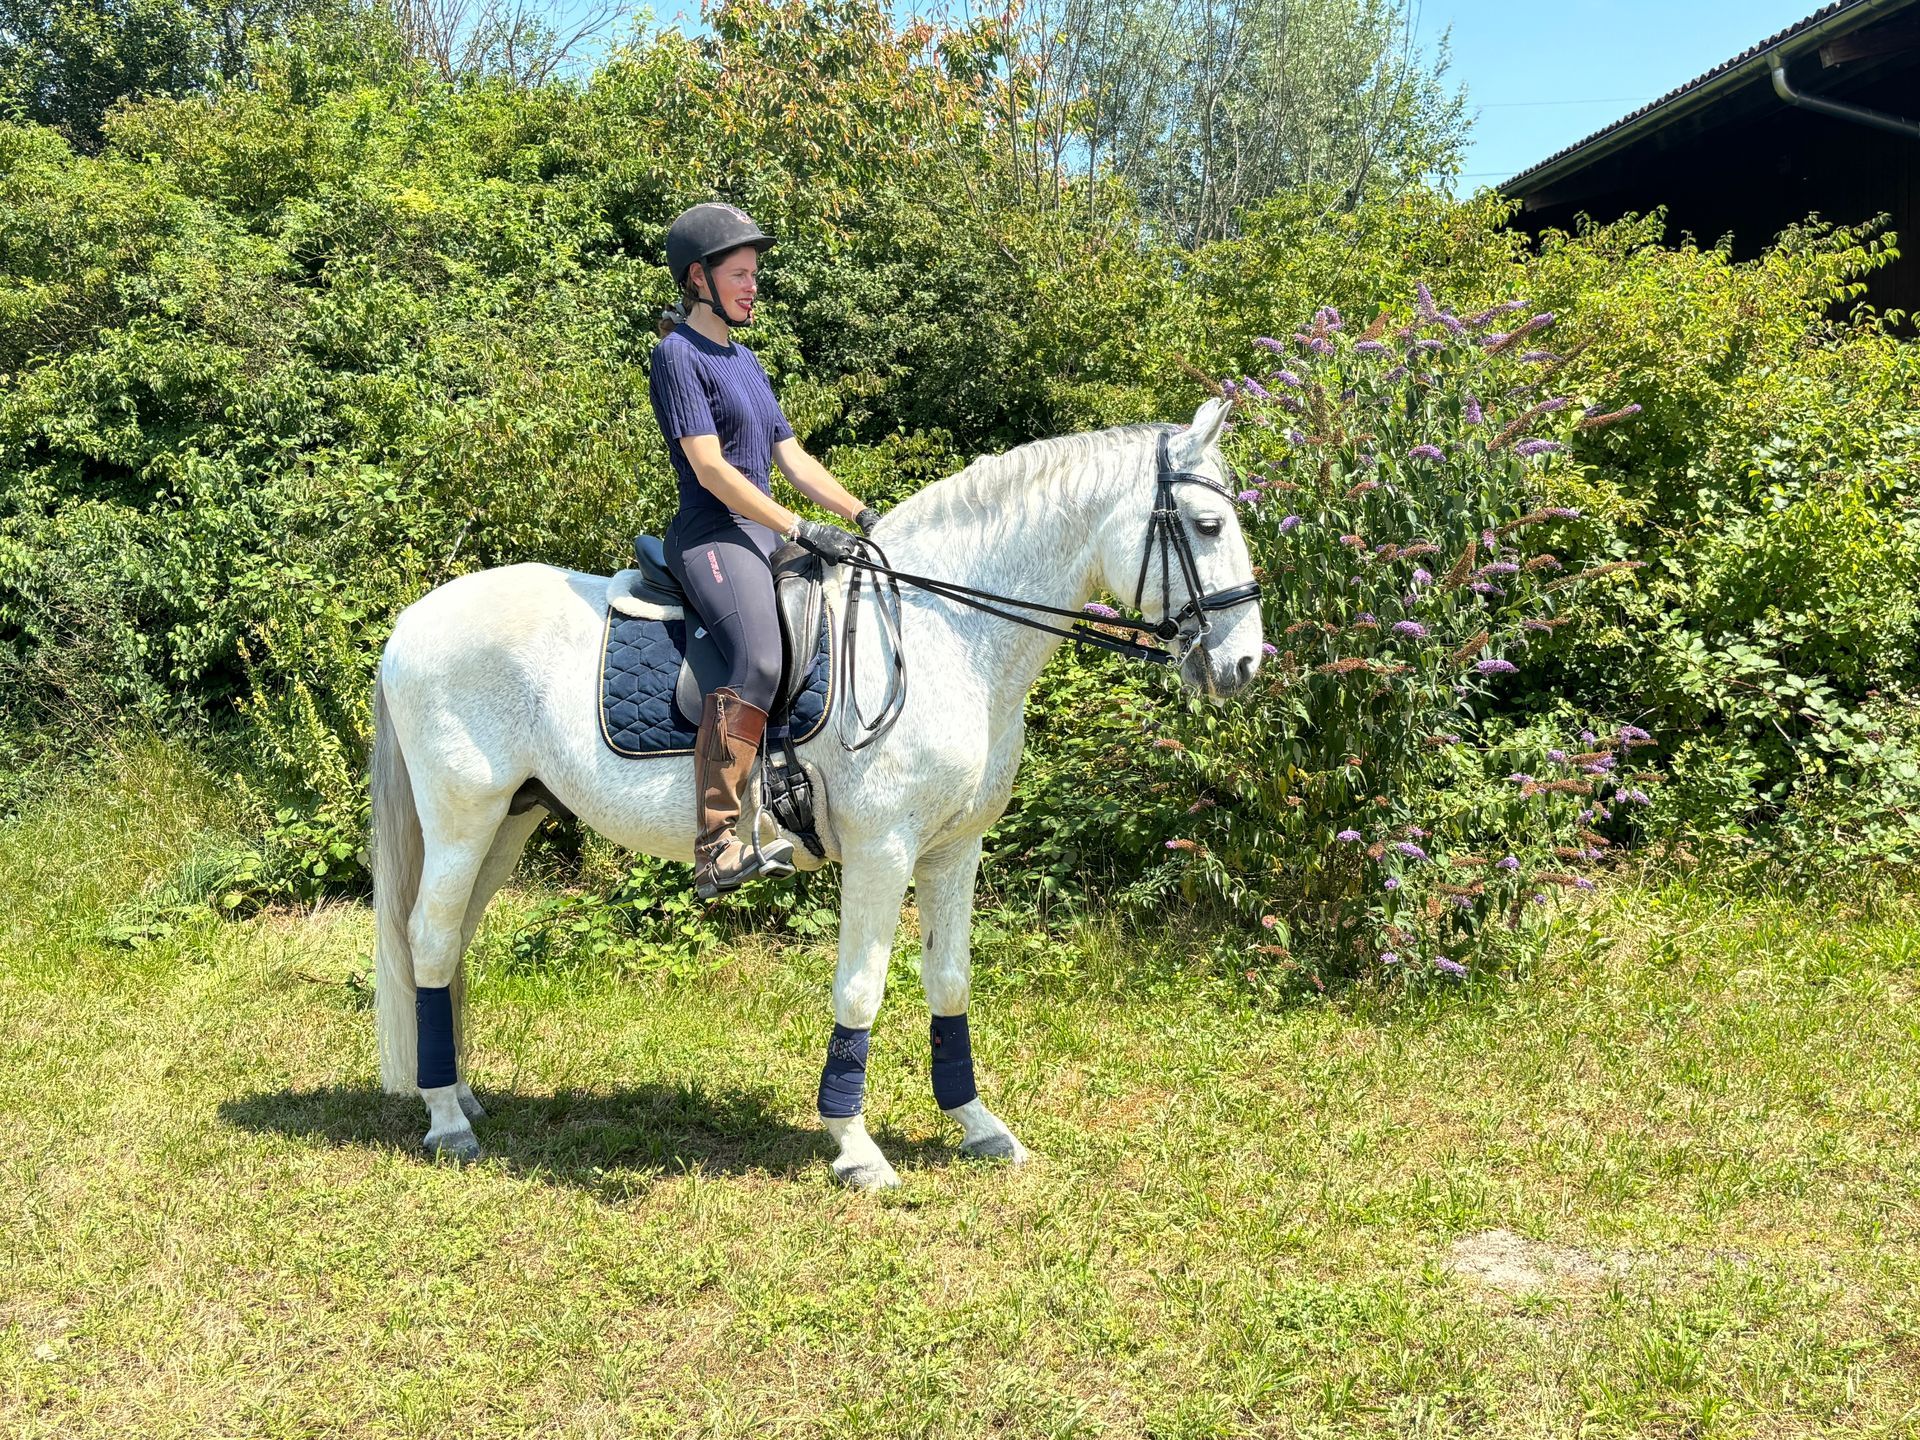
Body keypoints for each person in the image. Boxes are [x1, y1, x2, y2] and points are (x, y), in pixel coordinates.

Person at [649, 202, 880, 899]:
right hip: (712, 533)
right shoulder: (676, 355)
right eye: (741, 274)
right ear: (698, 278)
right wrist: (800, 528)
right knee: (757, 656)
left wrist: (864, 514)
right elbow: (713, 470)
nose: (753, 286)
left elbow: (793, 458)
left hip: (760, 533)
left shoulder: (745, 360)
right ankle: (716, 843)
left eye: (755, 274)